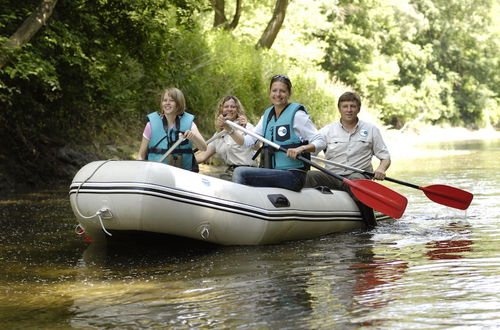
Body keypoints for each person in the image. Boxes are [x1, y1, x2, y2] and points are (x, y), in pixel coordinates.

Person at [220, 75, 326, 192]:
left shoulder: (297, 115)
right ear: (270, 93)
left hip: (293, 175)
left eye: (282, 91)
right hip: (272, 171)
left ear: (289, 94)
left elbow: (321, 142)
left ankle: (239, 207)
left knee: (240, 172)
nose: (278, 94)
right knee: (241, 172)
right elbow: (246, 142)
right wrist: (228, 128)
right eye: (274, 90)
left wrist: (301, 148)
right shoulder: (267, 116)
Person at [304, 91, 391, 227]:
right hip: (332, 175)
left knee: (355, 181)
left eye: (353, 106)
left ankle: (370, 227)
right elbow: (310, 155)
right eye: (345, 106)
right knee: (308, 176)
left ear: (358, 109)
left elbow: (385, 157)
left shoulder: (371, 129)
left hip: (359, 176)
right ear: (339, 109)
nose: (349, 110)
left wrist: (381, 169)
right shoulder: (326, 131)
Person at [137, 87, 207, 172]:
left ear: (178, 104)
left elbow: (203, 148)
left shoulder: (190, 124)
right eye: (165, 100)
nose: (167, 103)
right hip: (156, 173)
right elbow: (141, 155)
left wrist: (193, 137)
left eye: (171, 100)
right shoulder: (150, 125)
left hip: (183, 173)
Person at [195, 95, 258, 180]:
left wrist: (244, 128)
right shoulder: (218, 134)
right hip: (230, 173)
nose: (229, 109)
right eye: (226, 107)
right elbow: (202, 157)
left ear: (237, 110)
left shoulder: (247, 127)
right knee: (203, 179)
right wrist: (185, 160)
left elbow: (257, 147)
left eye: (233, 107)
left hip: (247, 173)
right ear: (221, 110)